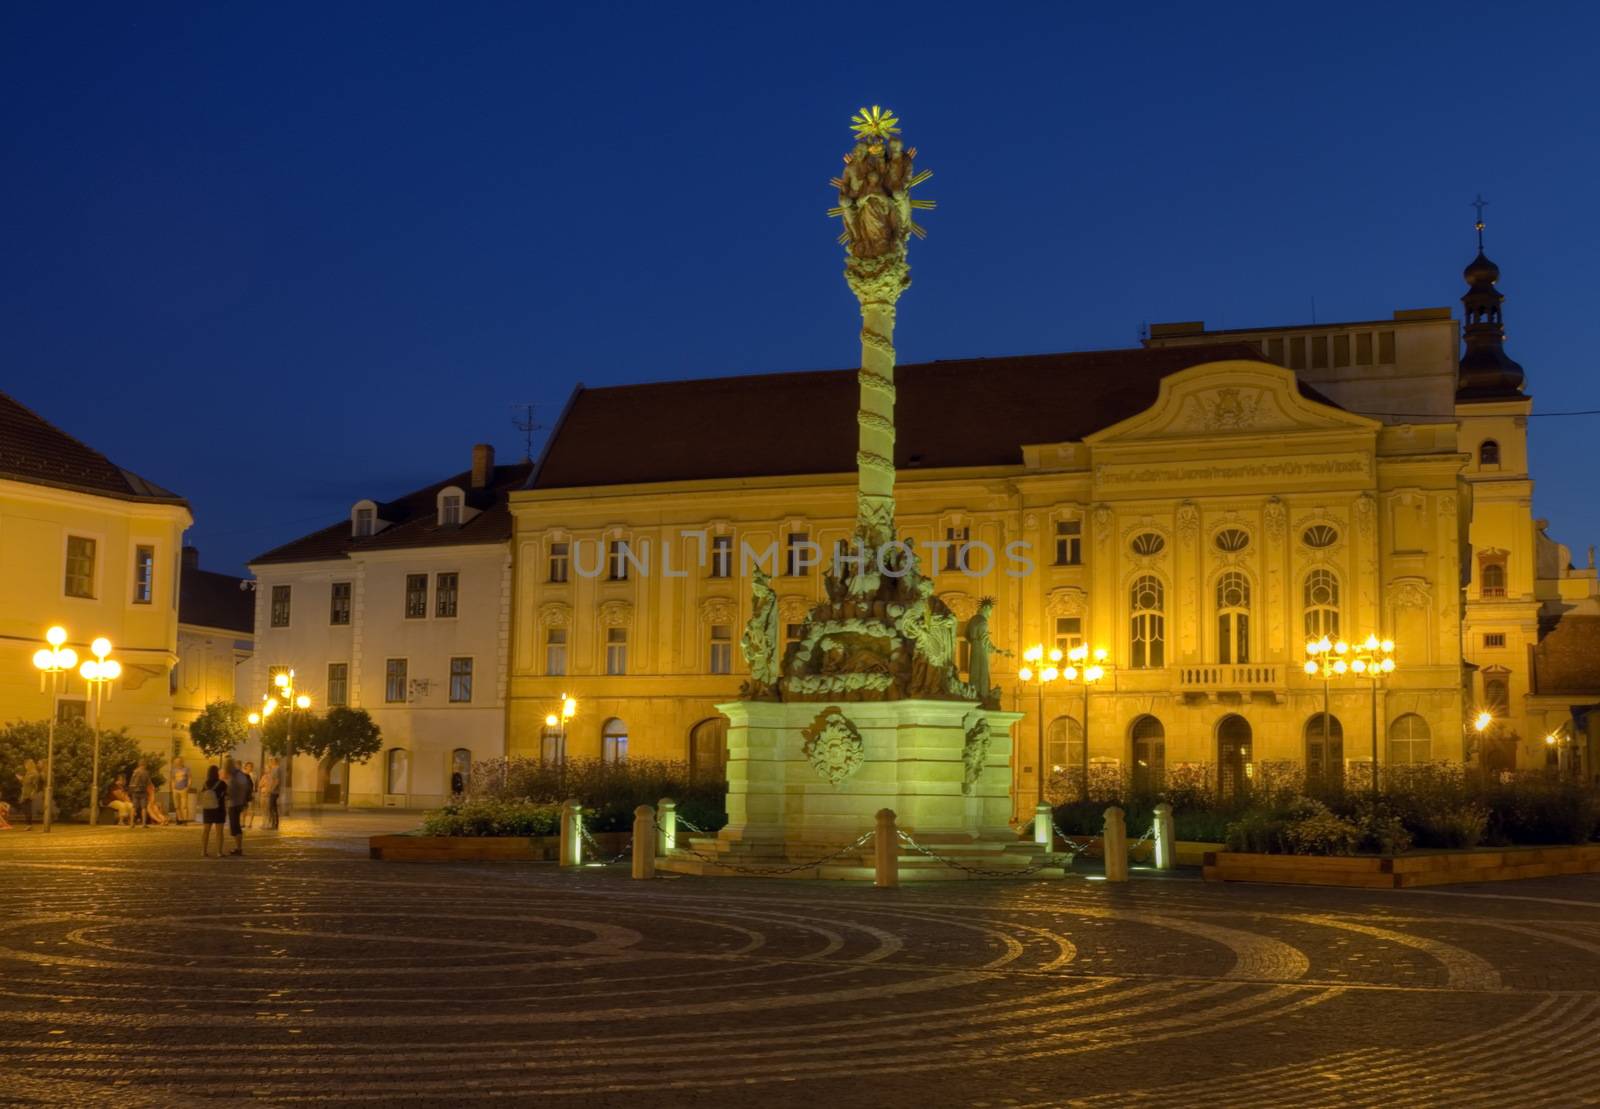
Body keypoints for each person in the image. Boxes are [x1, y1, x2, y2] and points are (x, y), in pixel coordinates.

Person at [224, 756, 253, 856]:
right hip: (237, 802)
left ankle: (239, 848)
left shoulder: (236, 774)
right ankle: (238, 847)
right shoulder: (237, 774)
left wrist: (230, 793)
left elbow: (240, 787)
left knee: (235, 826)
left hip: (235, 803)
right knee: (235, 825)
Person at [198, 765, 226, 856]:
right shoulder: (222, 783)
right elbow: (226, 794)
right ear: (217, 773)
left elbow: (202, 794)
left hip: (207, 809)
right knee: (219, 832)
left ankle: (203, 851)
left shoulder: (205, 783)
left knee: (206, 831)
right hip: (219, 809)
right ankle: (219, 852)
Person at [17, 758, 40, 830]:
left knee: (28, 809)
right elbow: (25, 782)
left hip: (29, 793)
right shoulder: (28, 773)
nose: (25, 766)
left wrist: (33, 793)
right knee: (25, 809)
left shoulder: (34, 773)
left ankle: (29, 825)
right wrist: (21, 779)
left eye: (26, 765)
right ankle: (28, 824)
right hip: (25, 792)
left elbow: (35, 785)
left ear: (30, 765)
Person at [128, 761, 151, 827]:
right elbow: (148, 782)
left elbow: (131, 782)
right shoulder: (146, 772)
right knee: (143, 807)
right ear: (144, 765)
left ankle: (132, 823)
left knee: (134, 807)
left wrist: (131, 790)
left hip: (135, 791)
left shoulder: (135, 772)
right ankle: (144, 824)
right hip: (143, 791)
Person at [170, 756, 191, 824]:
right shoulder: (173, 770)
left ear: (182, 762)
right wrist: (173, 788)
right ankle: (180, 819)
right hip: (175, 790)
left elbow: (190, 778)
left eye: (179, 761)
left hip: (183, 789)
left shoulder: (186, 769)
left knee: (184, 806)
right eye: (176, 762)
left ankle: (185, 820)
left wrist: (188, 787)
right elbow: (172, 779)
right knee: (177, 806)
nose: (177, 763)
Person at [263, 758, 282, 830]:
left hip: (274, 792)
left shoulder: (276, 769)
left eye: (271, 761)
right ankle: (274, 824)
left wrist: (270, 790)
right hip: (273, 791)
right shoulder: (274, 770)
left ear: (274, 762)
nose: (270, 763)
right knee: (273, 808)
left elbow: (277, 781)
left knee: (272, 808)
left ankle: (274, 824)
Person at [241, 761, 257, 829]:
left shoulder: (253, 775)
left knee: (251, 808)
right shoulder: (243, 774)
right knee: (244, 808)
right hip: (244, 793)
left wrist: (254, 792)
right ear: (246, 767)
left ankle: (250, 823)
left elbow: (254, 784)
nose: (249, 767)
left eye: (251, 766)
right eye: (248, 766)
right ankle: (243, 822)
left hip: (251, 793)